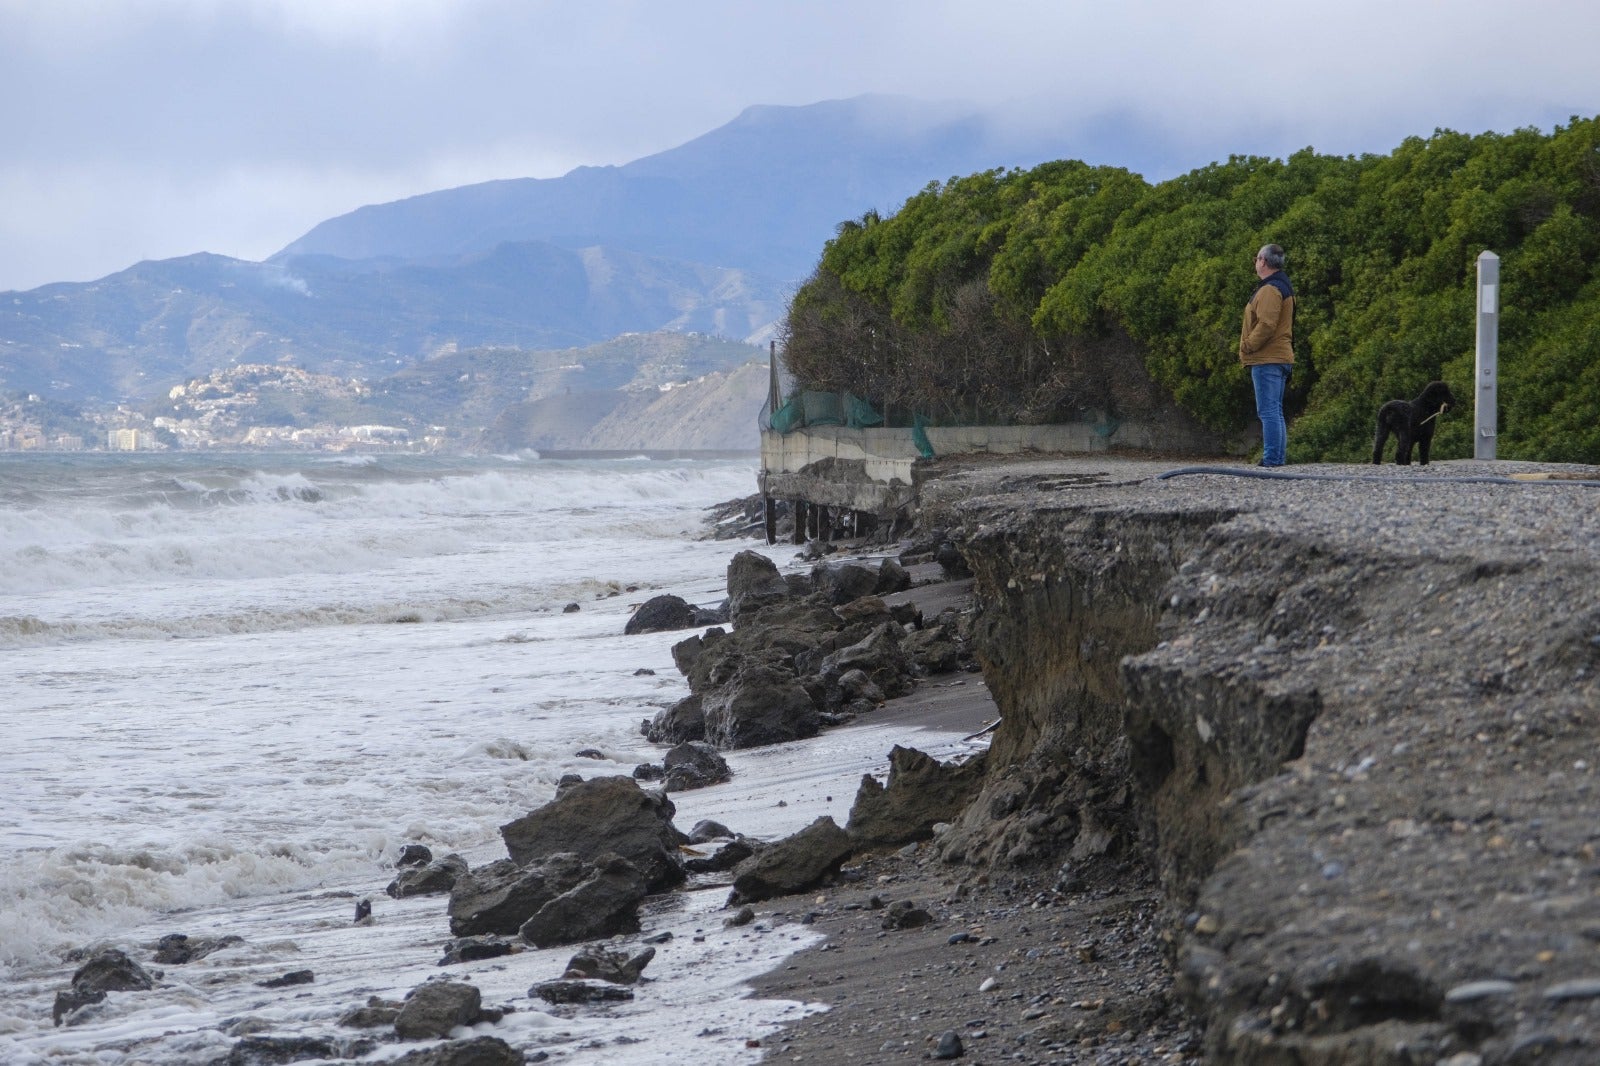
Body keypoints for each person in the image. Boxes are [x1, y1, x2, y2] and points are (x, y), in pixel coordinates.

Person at [1239, 243, 1295, 467]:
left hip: (1268, 358)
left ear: (1263, 261)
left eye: (1256, 259)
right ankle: (1276, 458)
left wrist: (1248, 346)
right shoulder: (1279, 285)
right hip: (1277, 357)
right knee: (1275, 410)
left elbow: (1267, 324)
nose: (1255, 262)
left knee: (1268, 410)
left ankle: (1272, 460)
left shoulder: (1271, 289)